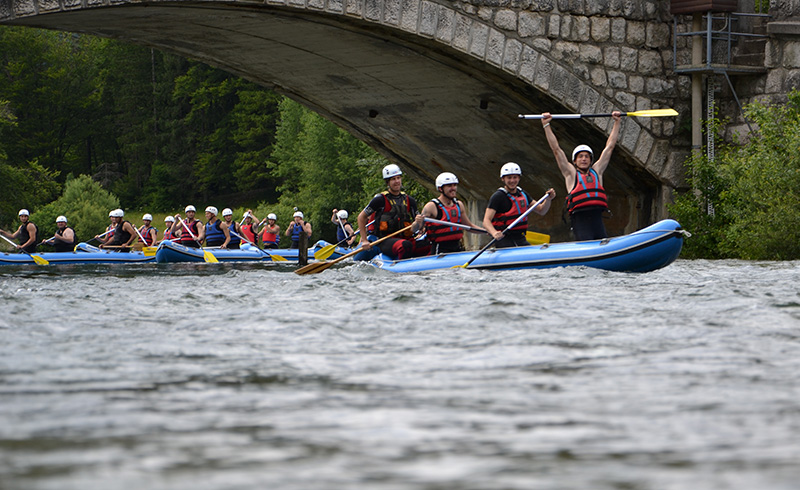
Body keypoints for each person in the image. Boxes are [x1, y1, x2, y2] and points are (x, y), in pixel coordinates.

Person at [542, 110, 622, 240]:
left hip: (597, 218)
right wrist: (546, 125)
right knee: (586, 242)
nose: (584, 159)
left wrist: (617, 123)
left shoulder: (597, 171)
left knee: (602, 242)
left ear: (590, 160)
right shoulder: (570, 173)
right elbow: (556, 150)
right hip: (580, 219)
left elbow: (610, 147)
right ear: (575, 160)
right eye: (580, 157)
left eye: (586, 157)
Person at [356, 164, 427, 259]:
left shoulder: (409, 200)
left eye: (398, 178)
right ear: (387, 182)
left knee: (428, 243)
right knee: (405, 245)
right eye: (393, 179)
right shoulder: (380, 200)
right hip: (385, 240)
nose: (397, 181)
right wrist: (364, 240)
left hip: (406, 238)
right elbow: (361, 217)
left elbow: (417, 224)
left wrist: (419, 224)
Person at [482, 162, 555, 248]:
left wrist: (548, 199)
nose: (512, 181)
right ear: (503, 179)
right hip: (503, 238)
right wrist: (494, 233)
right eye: (509, 178)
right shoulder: (498, 196)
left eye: (515, 177)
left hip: (520, 237)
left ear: (519, 178)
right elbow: (486, 221)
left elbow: (541, 210)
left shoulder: (523, 194)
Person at [420, 172, 481, 255]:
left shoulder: (459, 205)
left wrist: (488, 231)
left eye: (454, 185)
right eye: (449, 186)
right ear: (441, 188)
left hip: (457, 247)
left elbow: (469, 226)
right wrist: (417, 222)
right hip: (440, 249)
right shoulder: (431, 206)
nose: (453, 188)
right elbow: (415, 229)